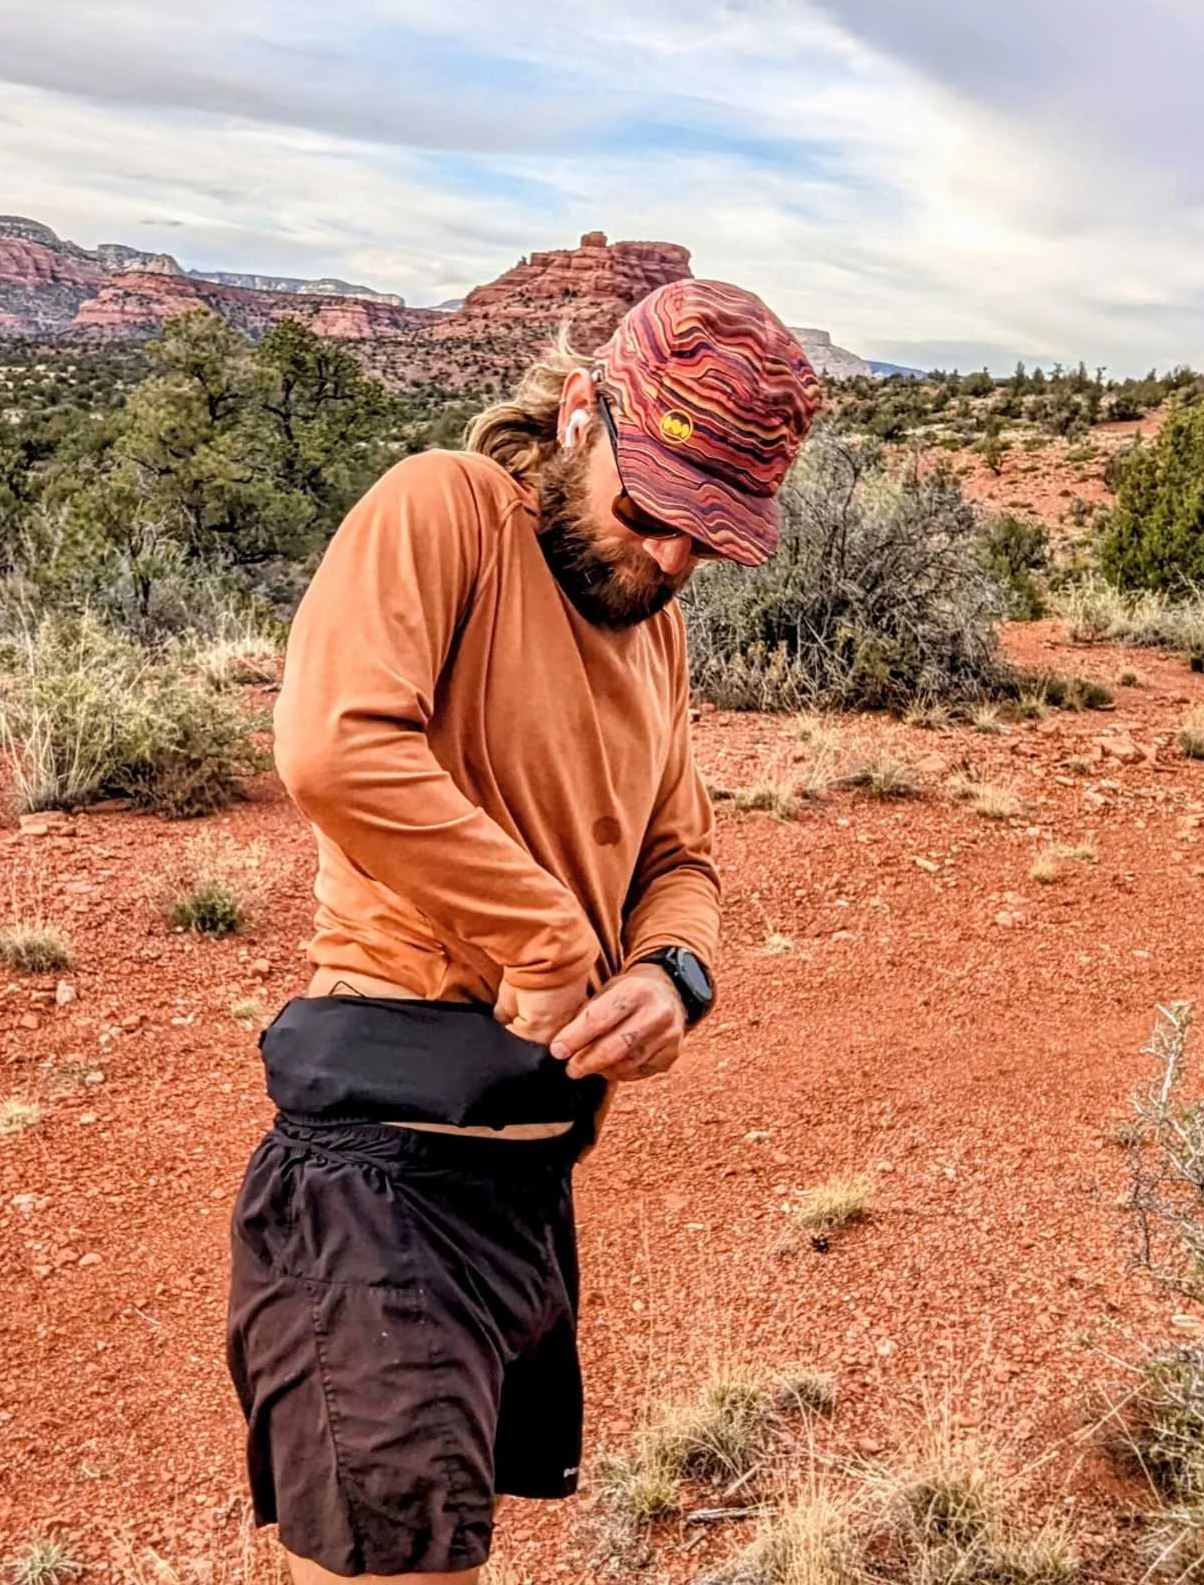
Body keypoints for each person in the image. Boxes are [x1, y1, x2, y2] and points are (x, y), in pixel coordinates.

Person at [227, 278, 820, 1581]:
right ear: (579, 414)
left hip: (523, 1188)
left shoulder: (654, 632)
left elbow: (681, 856)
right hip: (379, 1185)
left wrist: (674, 977)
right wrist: (546, 942)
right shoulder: (443, 510)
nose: (673, 560)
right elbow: (335, 749)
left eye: (710, 539)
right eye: (652, 512)